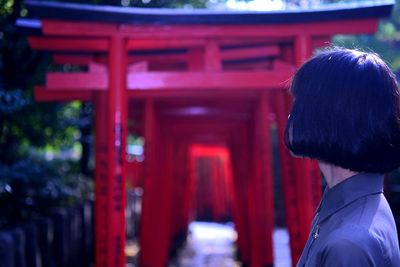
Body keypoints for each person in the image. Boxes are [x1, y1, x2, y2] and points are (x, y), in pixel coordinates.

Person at [284, 47, 400, 266]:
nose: (292, 115)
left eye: (300, 104)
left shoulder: (347, 244)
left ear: (328, 117)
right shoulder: (352, 204)